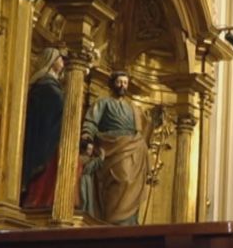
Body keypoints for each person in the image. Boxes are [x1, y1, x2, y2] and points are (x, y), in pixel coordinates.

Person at [81, 71, 151, 225]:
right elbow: (91, 122)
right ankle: (113, 221)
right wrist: (88, 137)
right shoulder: (103, 102)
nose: (122, 86)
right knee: (122, 180)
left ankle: (129, 222)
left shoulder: (132, 107)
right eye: (120, 82)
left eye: (125, 83)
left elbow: (143, 127)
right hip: (111, 147)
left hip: (133, 148)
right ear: (113, 83)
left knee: (133, 184)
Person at [21, 47, 67, 208]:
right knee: (44, 169)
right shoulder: (44, 84)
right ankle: (37, 200)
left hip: (53, 132)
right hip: (44, 134)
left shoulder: (53, 84)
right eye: (59, 58)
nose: (62, 62)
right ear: (51, 60)